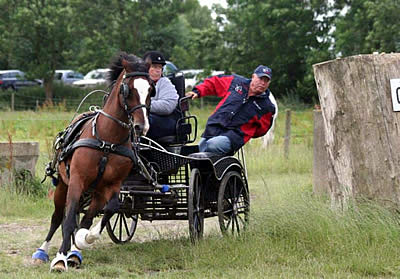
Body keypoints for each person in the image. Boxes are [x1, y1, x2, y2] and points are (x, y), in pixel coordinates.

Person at [186, 65, 276, 155]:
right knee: (197, 154)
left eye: (266, 80)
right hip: (214, 127)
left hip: (234, 136)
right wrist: (197, 92)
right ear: (253, 77)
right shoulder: (236, 82)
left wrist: (247, 132)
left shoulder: (267, 107)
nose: (263, 83)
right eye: (260, 79)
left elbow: (262, 130)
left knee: (212, 144)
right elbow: (214, 83)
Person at [143, 51, 179, 139]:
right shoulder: (139, 83)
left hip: (165, 120)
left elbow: (167, 106)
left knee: (142, 121)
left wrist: (143, 105)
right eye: (154, 67)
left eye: (160, 67)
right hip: (148, 117)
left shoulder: (165, 83)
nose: (158, 70)